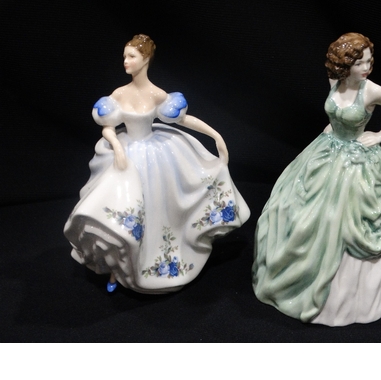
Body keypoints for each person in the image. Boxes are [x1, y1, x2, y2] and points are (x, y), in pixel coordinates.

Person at [64, 34, 250, 294]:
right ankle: (119, 268)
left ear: (145, 59)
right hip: (128, 155)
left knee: (158, 211)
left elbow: (183, 120)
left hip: (155, 157)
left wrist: (215, 135)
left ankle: (153, 264)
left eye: (131, 56)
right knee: (122, 210)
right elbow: (108, 127)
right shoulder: (120, 93)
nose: (126, 61)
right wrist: (117, 146)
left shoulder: (156, 94)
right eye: (125, 56)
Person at [252, 32, 381, 326]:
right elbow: (334, 112)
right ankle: (295, 278)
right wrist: (333, 127)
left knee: (340, 218)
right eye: (359, 63)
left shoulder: (371, 90)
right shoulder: (334, 81)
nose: (366, 68)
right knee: (293, 206)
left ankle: (345, 294)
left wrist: (379, 136)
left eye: (369, 61)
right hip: (326, 150)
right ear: (344, 65)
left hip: (357, 162)